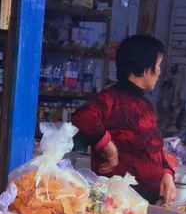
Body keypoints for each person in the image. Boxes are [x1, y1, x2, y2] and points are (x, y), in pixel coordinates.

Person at [71, 34, 176, 205]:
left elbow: (155, 147)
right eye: (157, 65)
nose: (159, 71)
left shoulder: (146, 106)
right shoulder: (110, 99)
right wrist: (108, 146)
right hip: (115, 205)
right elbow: (82, 117)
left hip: (145, 204)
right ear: (143, 68)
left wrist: (166, 173)